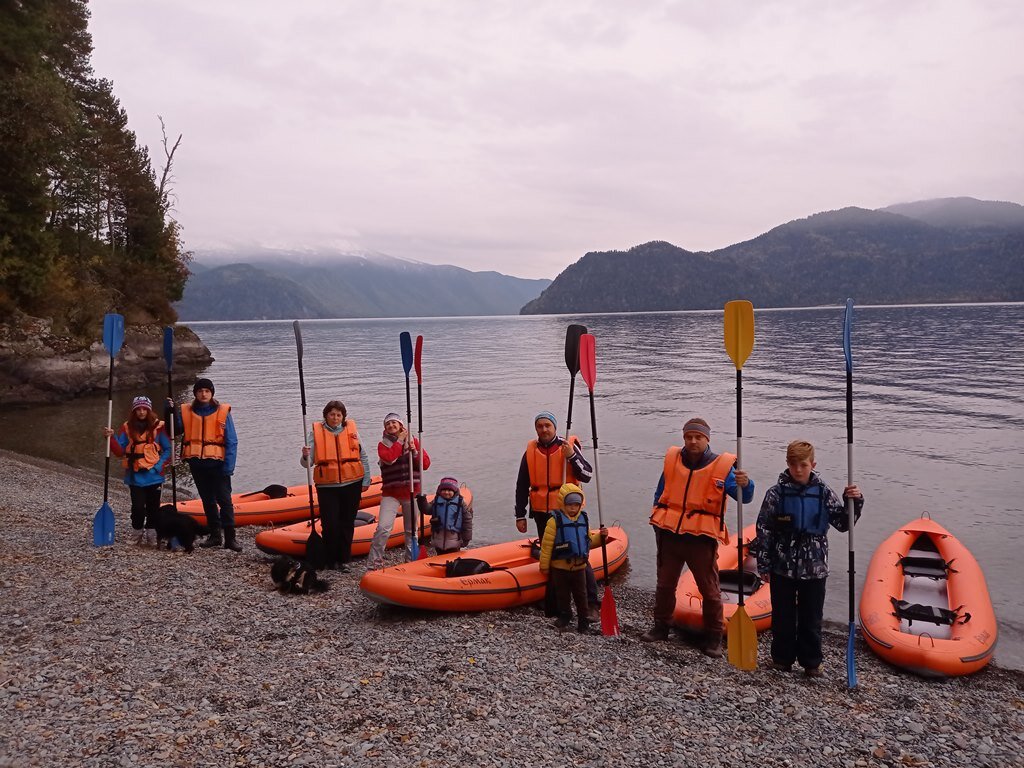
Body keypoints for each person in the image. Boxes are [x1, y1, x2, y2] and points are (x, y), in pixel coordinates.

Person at [643, 417, 754, 657]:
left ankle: (713, 636)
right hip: (670, 535)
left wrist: (748, 484)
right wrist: (657, 527)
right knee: (664, 585)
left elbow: (744, 497)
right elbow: (660, 494)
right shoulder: (673, 461)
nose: (693, 441)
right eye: (689, 437)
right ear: (684, 438)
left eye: (698, 437)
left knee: (709, 589)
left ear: (707, 439)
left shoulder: (722, 468)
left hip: (701, 540)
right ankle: (661, 627)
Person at [755, 440, 864, 677]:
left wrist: (854, 502)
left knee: (811, 618)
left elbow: (844, 524)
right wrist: (764, 563)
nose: (798, 470)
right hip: (782, 566)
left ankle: (811, 662)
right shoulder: (776, 494)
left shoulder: (824, 493)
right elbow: (764, 529)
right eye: (793, 464)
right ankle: (782, 659)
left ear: (812, 464)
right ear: (787, 464)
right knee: (782, 617)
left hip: (814, 567)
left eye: (803, 465)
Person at [514, 411, 598, 614]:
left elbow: (586, 475)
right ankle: (554, 603)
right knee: (551, 556)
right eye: (540, 426)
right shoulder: (530, 452)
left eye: (547, 426)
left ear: (554, 428)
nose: (543, 429)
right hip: (542, 513)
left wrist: (571, 457)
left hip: (568, 513)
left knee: (578, 555)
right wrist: (520, 514)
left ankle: (592, 603)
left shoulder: (568, 447)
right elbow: (522, 484)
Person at [169, 378, 241, 552]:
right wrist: (169, 412)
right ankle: (215, 536)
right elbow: (176, 430)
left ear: (211, 393)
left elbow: (232, 441)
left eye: (207, 391)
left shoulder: (222, 412)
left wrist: (228, 467)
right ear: (195, 393)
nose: (203, 394)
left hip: (218, 465)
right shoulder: (187, 411)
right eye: (200, 391)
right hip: (197, 465)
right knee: (208, 501)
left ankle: (230, 538)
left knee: (225, 501)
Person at [300, 400, 372, 572]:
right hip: (327, 486)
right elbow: (307, 463)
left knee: (347, 523)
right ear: (326, 415)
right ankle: (330, 559)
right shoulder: (315, 433)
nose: (335, 418)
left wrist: (366, 479)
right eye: (332, 414)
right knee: (330, 523)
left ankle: (344, 559)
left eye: (338, 415)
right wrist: (304, 455)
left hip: (352, 483)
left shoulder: (352, 431)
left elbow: (363, 456)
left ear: (343, 416)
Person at [104, 396, 172, 546]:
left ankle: (152, 534)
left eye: (144, 409)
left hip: (154, 475)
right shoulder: (127, 427)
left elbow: (168, 450)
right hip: (135, 476)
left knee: (153, 507)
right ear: (134, 411)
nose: (141, 412)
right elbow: (119, 451)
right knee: (137, 507)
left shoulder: (158, 427)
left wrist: (158, 466)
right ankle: (137, 532)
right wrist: (111, 438)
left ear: (149, 410)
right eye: (138, 409)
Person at [539, 484, 607, 633]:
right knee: (562, 594)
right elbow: (547, 545)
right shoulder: (554, 521)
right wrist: (544, 565)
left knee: (581, 596)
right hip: (559, 568)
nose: (572, 508)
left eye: (576, 505)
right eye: (569, 505)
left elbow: (588, 541)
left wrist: (602, 538)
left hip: (579, 568)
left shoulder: (583, 519)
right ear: (562, 504)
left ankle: (583, 622)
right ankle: (565, 615)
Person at [367, 413, 430, 569]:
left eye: (394, 422)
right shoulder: (383, 444)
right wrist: (401, 441)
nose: (391, 426)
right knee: (383, 528)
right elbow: (389, 458)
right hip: (391, 493)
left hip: (411, 492)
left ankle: (410, 562)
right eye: (388, 424)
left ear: (401, 425)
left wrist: (415, 451)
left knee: (411, 531)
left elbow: (425, 464)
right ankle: (374, 563)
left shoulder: (413, 441)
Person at [429, 476, 473, 554]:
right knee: (439, 557)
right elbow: (427, 510)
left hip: (454, 542)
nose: (446, 492)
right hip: (438, 540)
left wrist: (466, 538)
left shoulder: (460, 503)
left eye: (449, 490)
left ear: (455, 491)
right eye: (444, 490)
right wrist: (421, 501)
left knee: (452, 559)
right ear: (440, 491)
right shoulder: (436, 501)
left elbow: (467, 521)